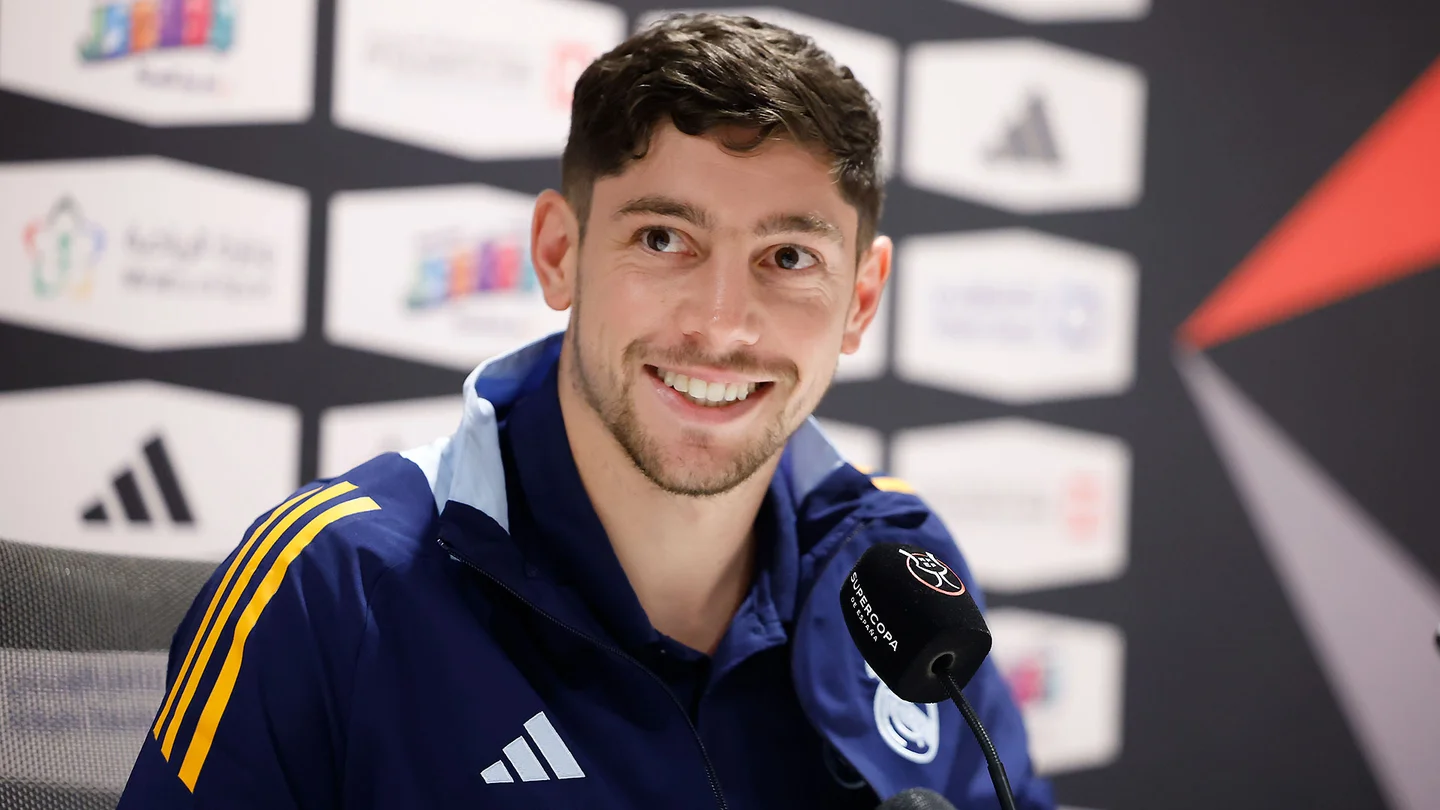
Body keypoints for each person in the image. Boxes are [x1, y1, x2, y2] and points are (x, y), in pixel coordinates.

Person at [118, 13, 1053, 809]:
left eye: (790, 257)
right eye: (663, 238)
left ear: (861, 298)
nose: (723, 327)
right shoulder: (334, 582)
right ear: (560, 254)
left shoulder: (896, 570)